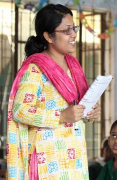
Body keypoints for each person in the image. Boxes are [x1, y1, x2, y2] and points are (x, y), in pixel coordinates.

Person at [6, 4, 100, 179]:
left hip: (75, 159)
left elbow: (76, 110)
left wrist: (89, 113)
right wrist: (61, 116)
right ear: (48, 36)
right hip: (47, 162)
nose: (73, 34)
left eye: (74, 28)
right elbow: (20, 111)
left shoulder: (74, 67)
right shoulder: (35, 69)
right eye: (66, 30)